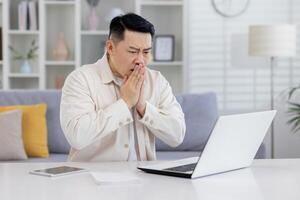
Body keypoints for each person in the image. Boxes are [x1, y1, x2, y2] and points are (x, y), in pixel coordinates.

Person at [60, 13, 186, 162]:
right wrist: (125, 103)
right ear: (110, 47)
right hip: (91, 179)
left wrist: (143, 108)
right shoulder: (81, 79)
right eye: (133, 51)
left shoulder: (157, 81)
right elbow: (77, 136)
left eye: (146, 52)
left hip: (145, 179)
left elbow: (177, 135)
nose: (140, 61)